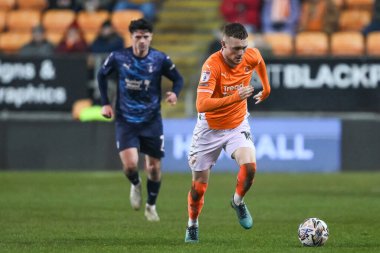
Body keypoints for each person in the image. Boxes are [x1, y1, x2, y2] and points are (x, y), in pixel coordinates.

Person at [184, 22, 271, 243]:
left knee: (250, 167)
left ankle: (238, 202)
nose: (240, 53)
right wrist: (236, 97)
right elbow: (201, 104)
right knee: (198, 189)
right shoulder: (211, 66)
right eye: (235, 48)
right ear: (223, 44)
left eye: (243, 47)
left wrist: (266, 87)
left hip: (236, 125)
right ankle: (192, 224)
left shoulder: (249, 55)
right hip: (209, 129)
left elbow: (259, 60)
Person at [97, 18, 184, 221]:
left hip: (151, 120)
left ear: (151, 37)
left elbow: (178, 79)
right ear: (132, 37)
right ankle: (135, 184)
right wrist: (105, 103)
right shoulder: (118, 57)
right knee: (130, 165)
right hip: (126, 120)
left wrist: (174, 94)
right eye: (138, 37)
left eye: (146, 37)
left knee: (153, 167)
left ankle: (151, 206)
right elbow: (102, 75)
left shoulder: (159, 59)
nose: (142, 41)